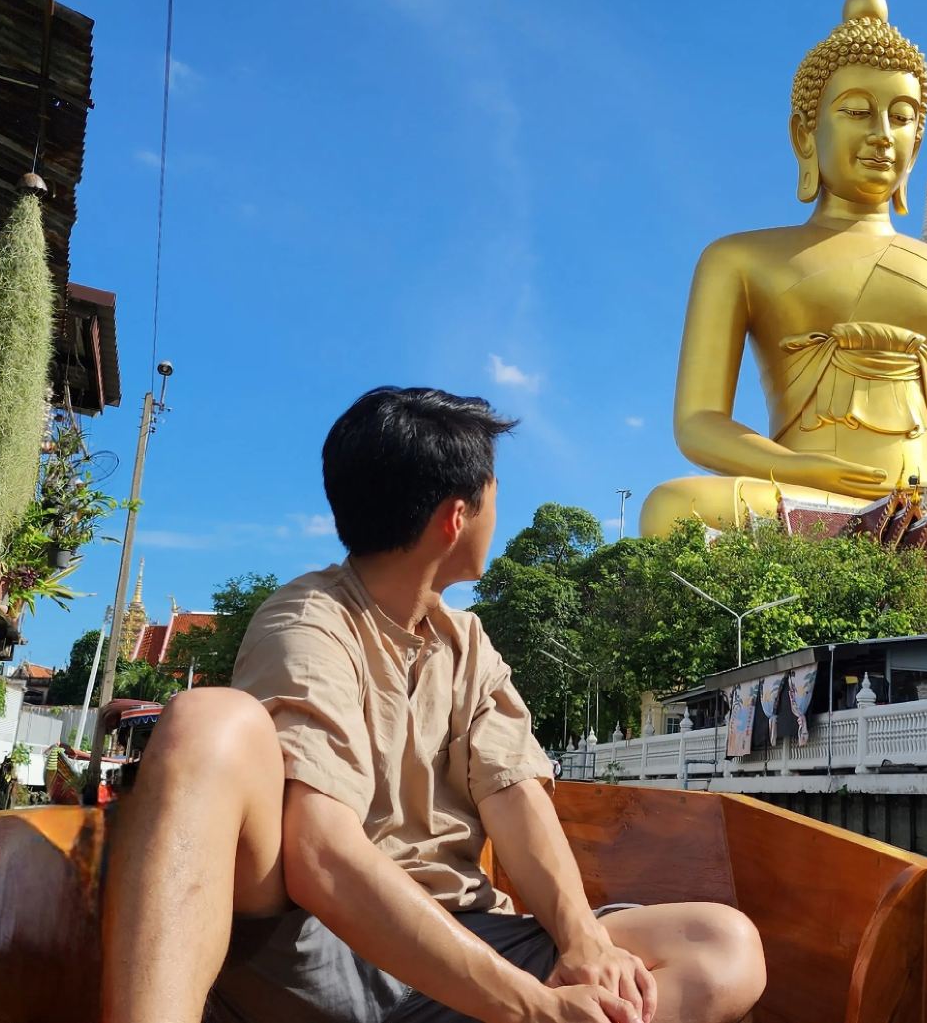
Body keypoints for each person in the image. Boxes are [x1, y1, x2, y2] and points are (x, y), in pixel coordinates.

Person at [101, 387, 767, 1023]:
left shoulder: (466, 642)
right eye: (494, 496)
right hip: (328, 948)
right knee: (208, 722)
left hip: (467, 934)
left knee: (723, 947)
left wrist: (582, 942)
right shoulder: (308, 622)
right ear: (456, 517)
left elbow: (515, 799)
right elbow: (319, 853)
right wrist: (532, 1007)